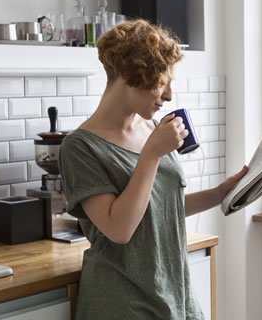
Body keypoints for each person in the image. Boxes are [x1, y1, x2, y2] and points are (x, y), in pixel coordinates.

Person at [60, 19, 248, 319]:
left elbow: (158, 208)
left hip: (176, 294)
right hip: (123, 305)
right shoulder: (80, 147)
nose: (170, 95)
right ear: (127, 75)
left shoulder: (151, 128)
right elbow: (119, 229)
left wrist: (220, 193)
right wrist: (151, 154)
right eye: (162, 81)